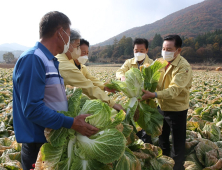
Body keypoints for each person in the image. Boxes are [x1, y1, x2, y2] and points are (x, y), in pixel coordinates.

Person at [12, 11, 99, 170]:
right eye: (68, 34)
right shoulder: (33, 59)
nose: (70, 41)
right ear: (60, 32)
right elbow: (33, 109)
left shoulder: (50, 61)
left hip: (51, 143)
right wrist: (72, 122)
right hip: (38, 148)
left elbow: (49, 99)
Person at [141, 35, 193, 170]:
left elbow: (174, 90)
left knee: (177, 139)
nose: (165, 51)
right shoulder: (160, 62)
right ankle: (164, 161)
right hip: (161, 105)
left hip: (177, 108)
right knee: (162, 136)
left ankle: (177, 166)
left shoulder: (184, 67)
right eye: (163, 48)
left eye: (169, 49)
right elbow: (149, 73)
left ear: (179, 50)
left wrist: (153, 94)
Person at [56, 30, 123, 111]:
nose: (79, 51)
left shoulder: (76, 65)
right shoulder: (66, 65)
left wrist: (104, 86)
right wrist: (112, 104)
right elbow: (87, 87)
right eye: (77, 47)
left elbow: (91, 79)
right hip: (59, 109)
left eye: (87, 53)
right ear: (67, 44)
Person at [116, 38, 154, 143]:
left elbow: (156, 80)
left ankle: (146, 146)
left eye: (141, 51)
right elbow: (119, 71)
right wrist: (122, 77)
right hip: (132, 101)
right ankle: (135, 145)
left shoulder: (151, 63)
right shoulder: (129, 62)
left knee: (146, 127)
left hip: (147, 101)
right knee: (132, 126)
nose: (138, 53)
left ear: (147, 50)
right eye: (136, 50)